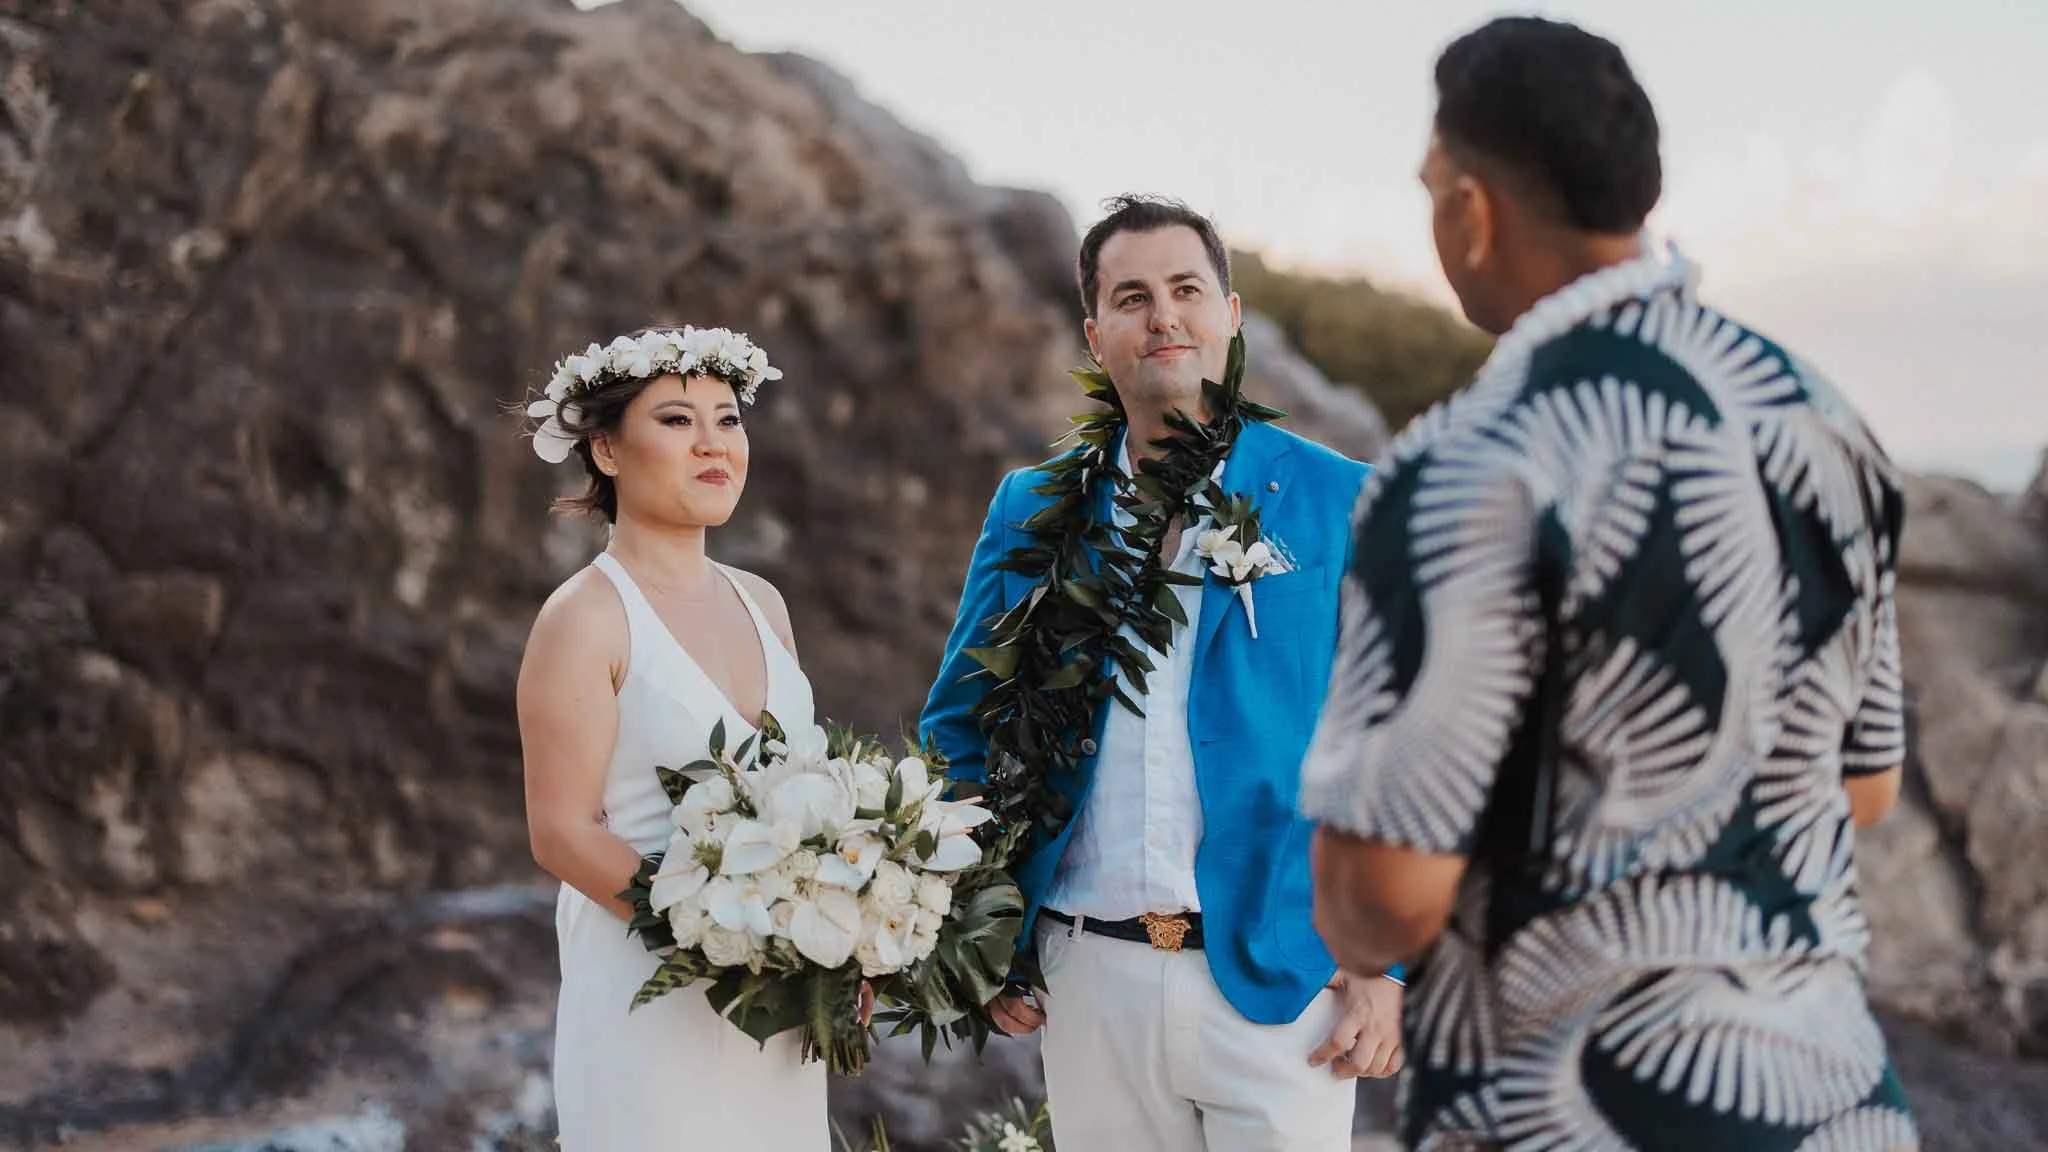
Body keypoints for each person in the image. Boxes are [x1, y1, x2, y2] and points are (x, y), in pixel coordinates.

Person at [1299, 17, 1917, 1151]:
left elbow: (1386, 894)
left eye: (1430, 188)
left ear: (1471, 210)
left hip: (1573, 1115)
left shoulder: (1471, 462)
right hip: (1832, 1106)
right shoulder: (1824, 420)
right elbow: (1864, 787)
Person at [922, 195, 1404, 1152]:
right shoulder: (1032, 508)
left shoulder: (1340, 498)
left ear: (1231, 314)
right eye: (1132, 298)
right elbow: (962, 726)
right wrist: (980, 923)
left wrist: (1384, 966)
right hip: (1086, 976)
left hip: (1280, 983)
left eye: (1186, 290)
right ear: (1095, 334)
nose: (1163, 317)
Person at [516, 327, 827, 1150]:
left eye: (728, 420)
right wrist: (727, 936)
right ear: (607, 449)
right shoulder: (584, 618)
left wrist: (838, 935)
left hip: (781, 1003)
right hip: (650, 994)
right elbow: (561, 831)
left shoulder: (764, 603)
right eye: (678, 421)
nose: (713, 444)